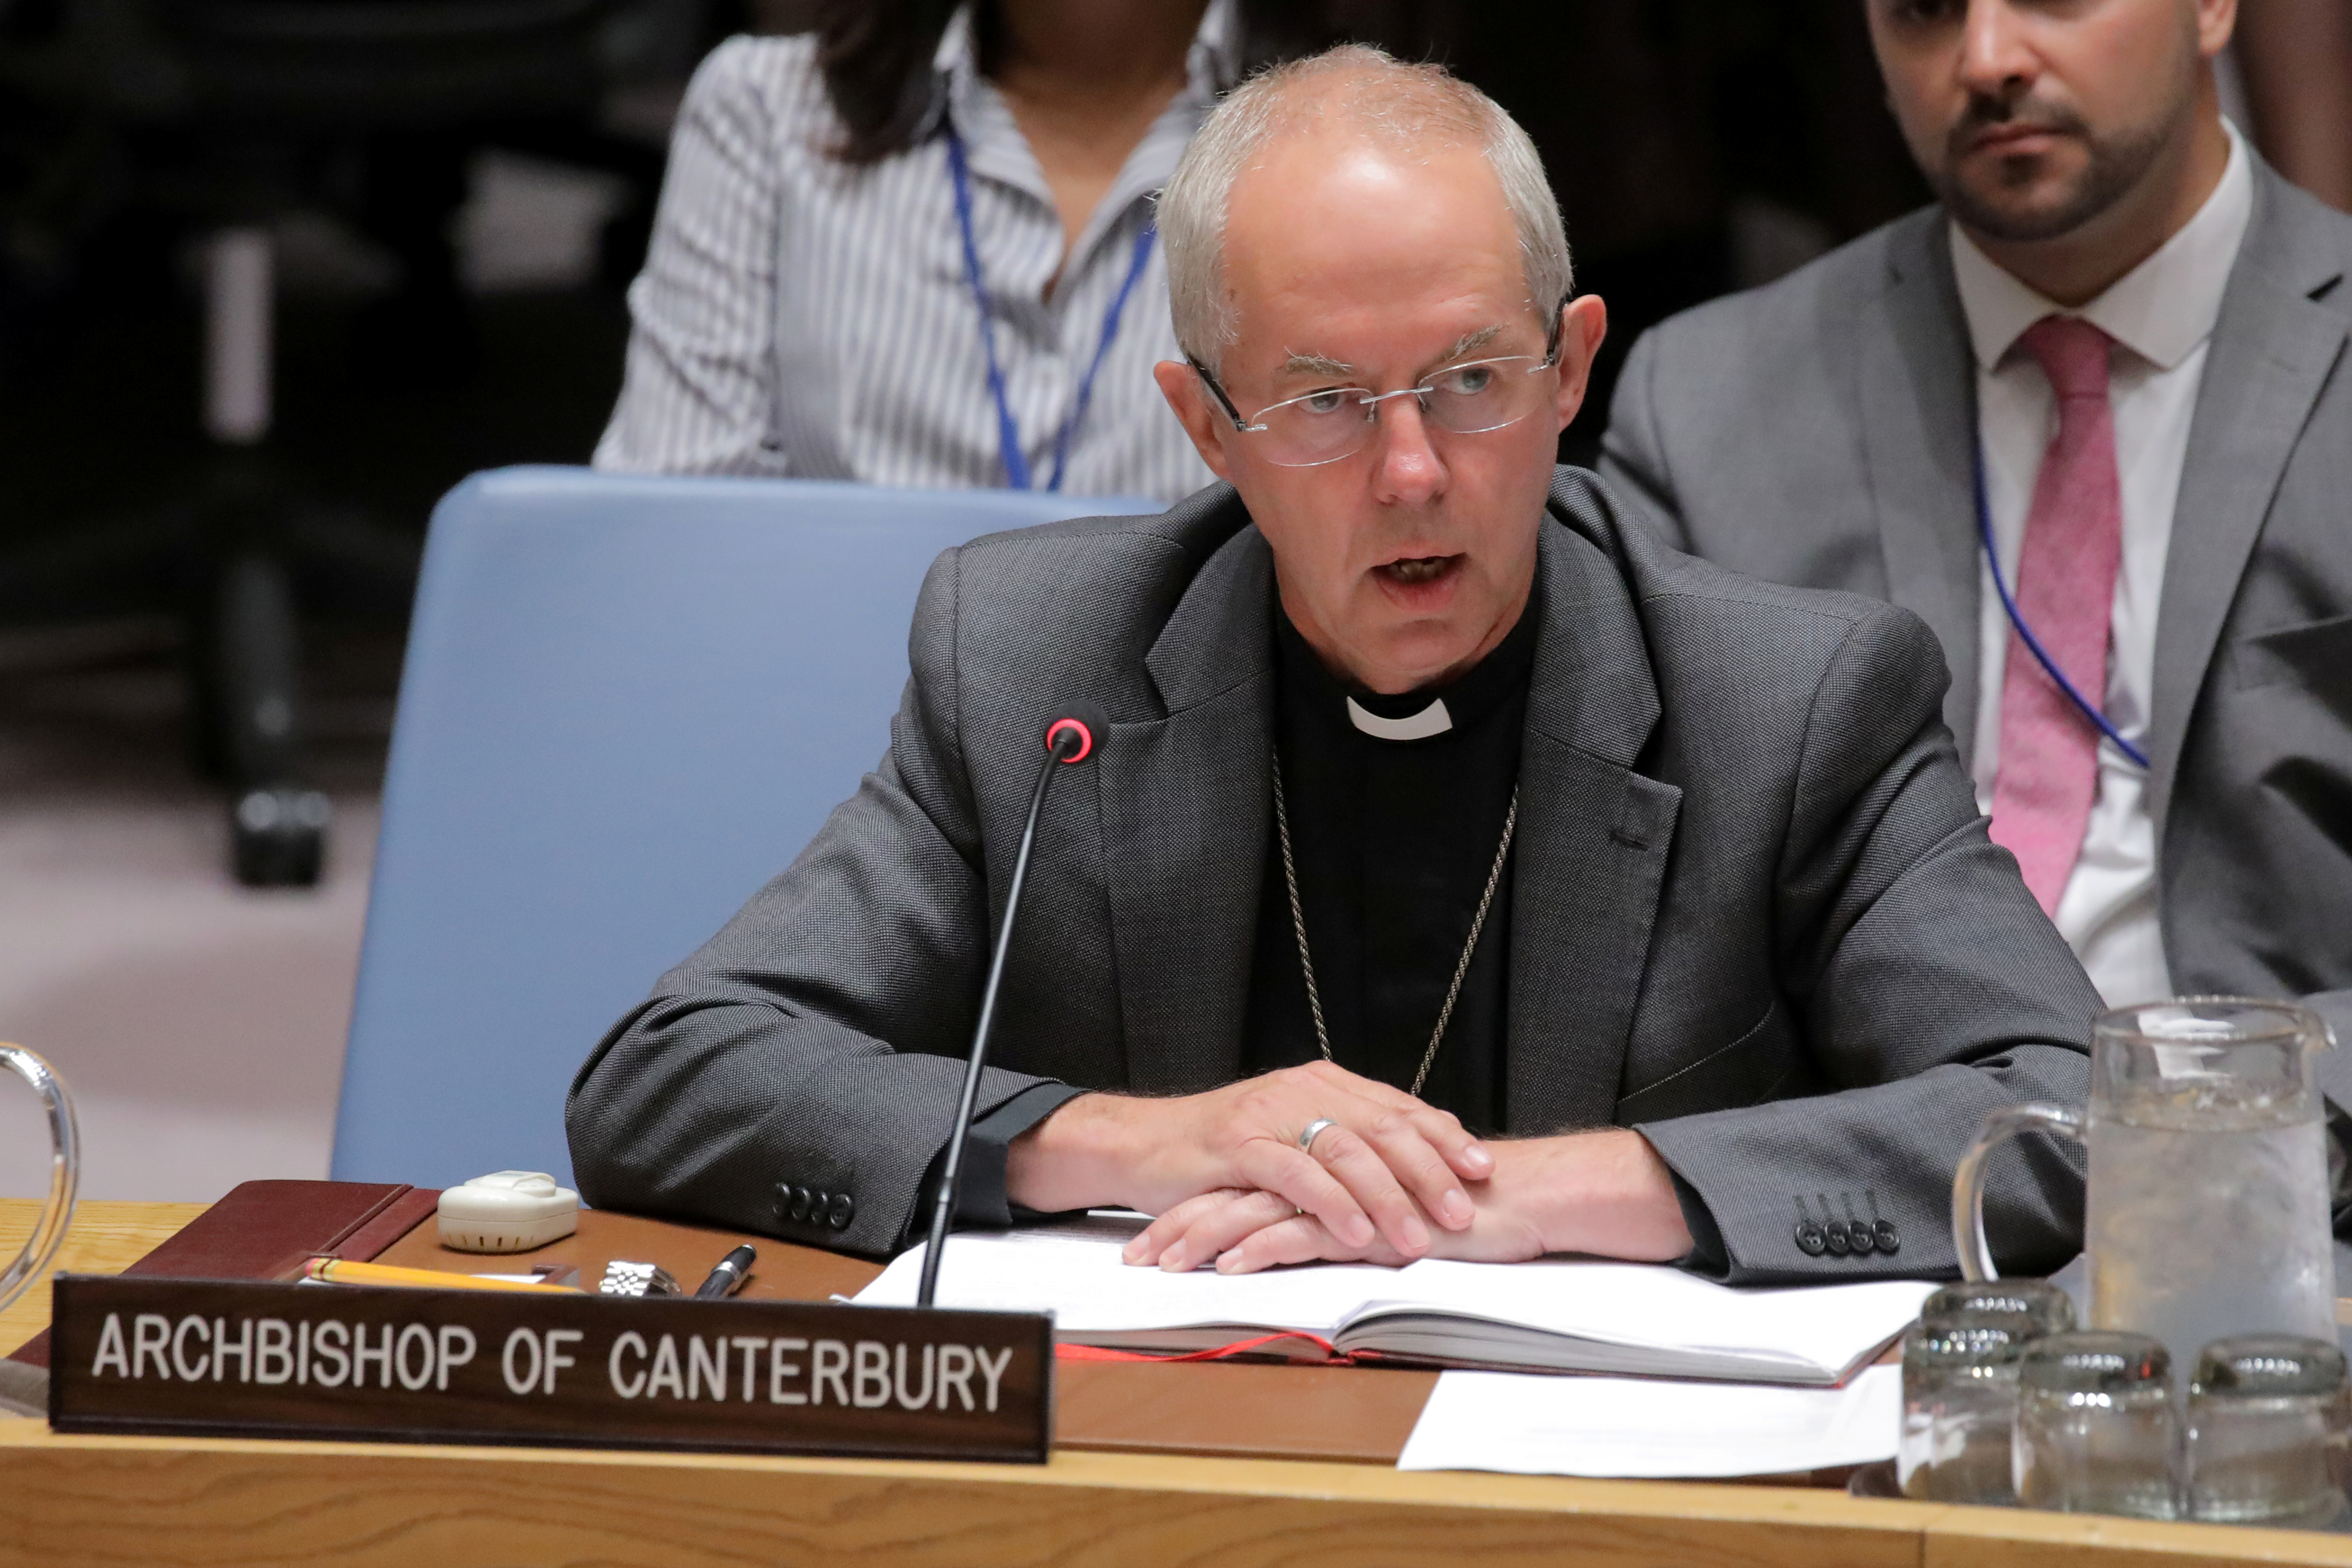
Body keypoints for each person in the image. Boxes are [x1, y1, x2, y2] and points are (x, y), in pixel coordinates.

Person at [568, 46, 2098, 1287]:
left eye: (1469, 382)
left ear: (1570, 370)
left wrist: (1537, 1190)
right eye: (1321, 403)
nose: (1412, 471)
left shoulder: (1787, 700)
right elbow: (669, 1076)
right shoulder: (1038, 670)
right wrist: (1134, 1142)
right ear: (1204, 427)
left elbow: (2072, 1116)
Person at [1600, 0, 2352, 1049]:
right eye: (1923, 12)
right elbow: (1635, 932)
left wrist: (2215, 1130)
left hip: (2296, 1170)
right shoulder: (1705, 407)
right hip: (1875, 1175)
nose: (1987, 58)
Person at [593, 0, 1324, 503]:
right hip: (848, 697)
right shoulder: (763, 111)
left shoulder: (1347, 156)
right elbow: (673, 527)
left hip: (1195, 712)